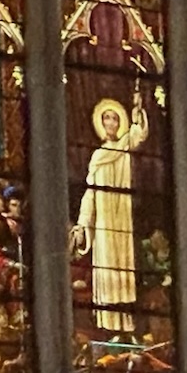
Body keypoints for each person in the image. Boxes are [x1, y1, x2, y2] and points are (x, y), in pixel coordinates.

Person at [71, 97, 147, 331]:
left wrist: (137, 109)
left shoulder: (124, 145)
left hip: (122, 217)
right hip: (104, 220)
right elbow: (90, 194)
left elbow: (139, 133)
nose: (111, 123)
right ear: (101, 123)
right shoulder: (97, 157)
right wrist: (83, 223)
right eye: (107, 118)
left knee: (123, 266)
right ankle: (108, 326)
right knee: (106, 267)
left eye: (115, 118)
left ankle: (126, 325)